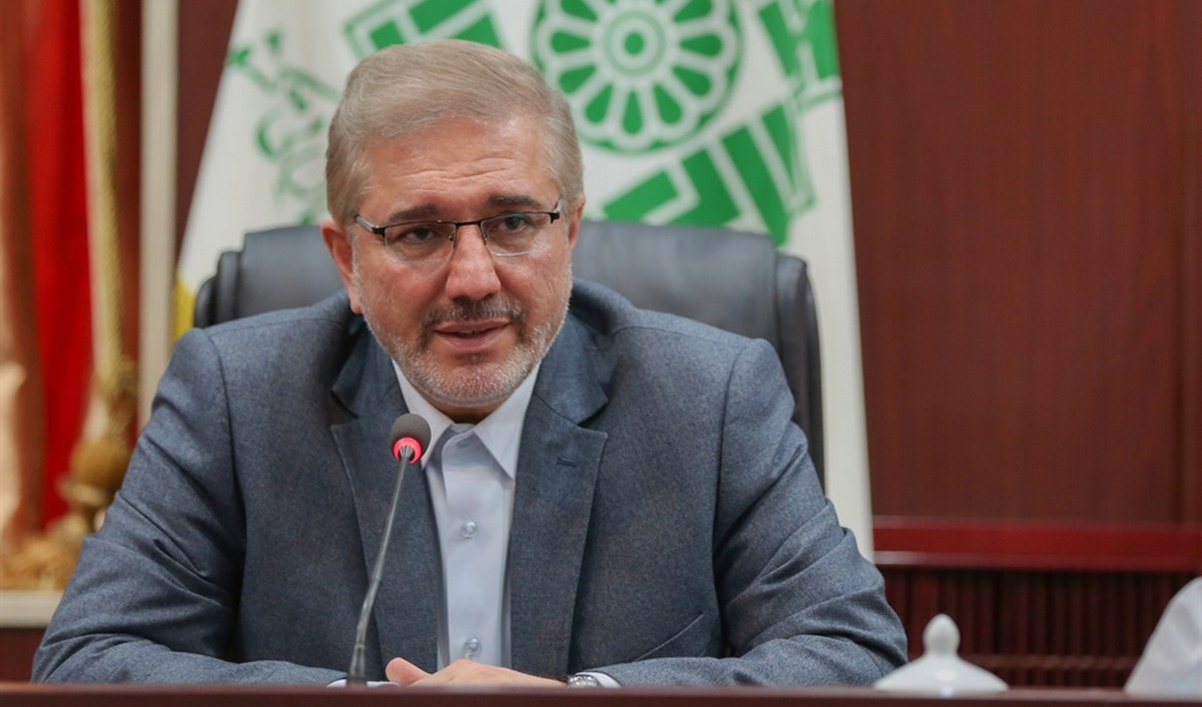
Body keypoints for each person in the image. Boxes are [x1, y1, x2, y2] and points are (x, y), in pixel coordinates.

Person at [33, 40, 906, 687]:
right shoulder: (235, 395)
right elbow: (87, 659)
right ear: (346, 261)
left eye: (514, 222)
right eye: (418, 233)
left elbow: (852, 650)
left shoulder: (708, 397)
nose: (474, 278)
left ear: (571, 231)